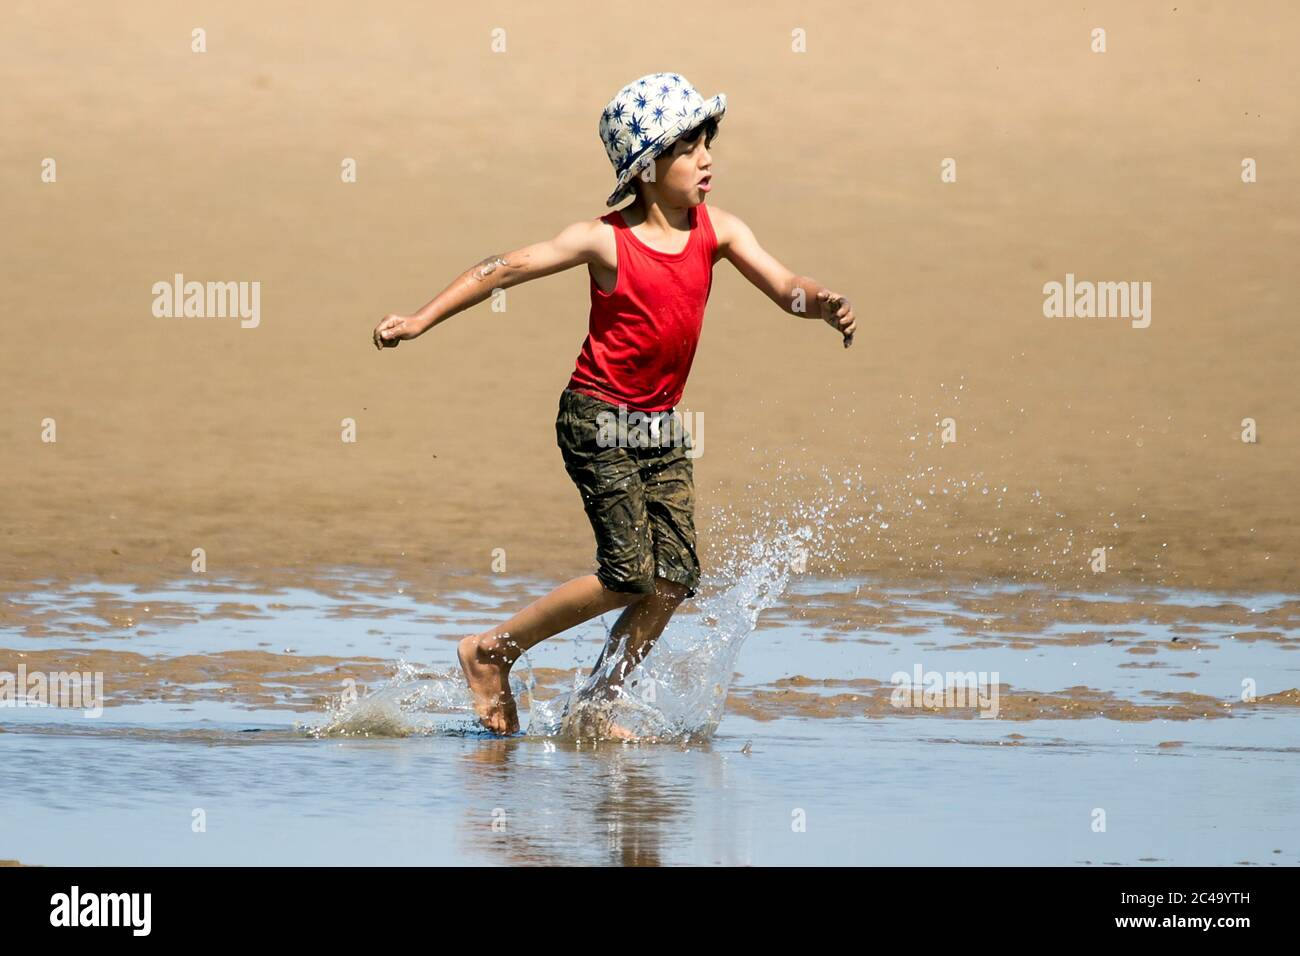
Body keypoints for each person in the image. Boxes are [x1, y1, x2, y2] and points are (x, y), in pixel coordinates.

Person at [372, 72, 856, 737]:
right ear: (648, 166)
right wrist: (422, 319)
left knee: (675, 578)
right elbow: (504, 268)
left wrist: (820, 302)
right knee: (629, 575)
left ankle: (595, 705)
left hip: (659, 426)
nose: (707, 158)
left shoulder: (719, 231)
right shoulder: (604, 241)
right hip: (597, 419)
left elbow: (784, 287)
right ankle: (490, 652)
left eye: (707, 142)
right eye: (689, 147)